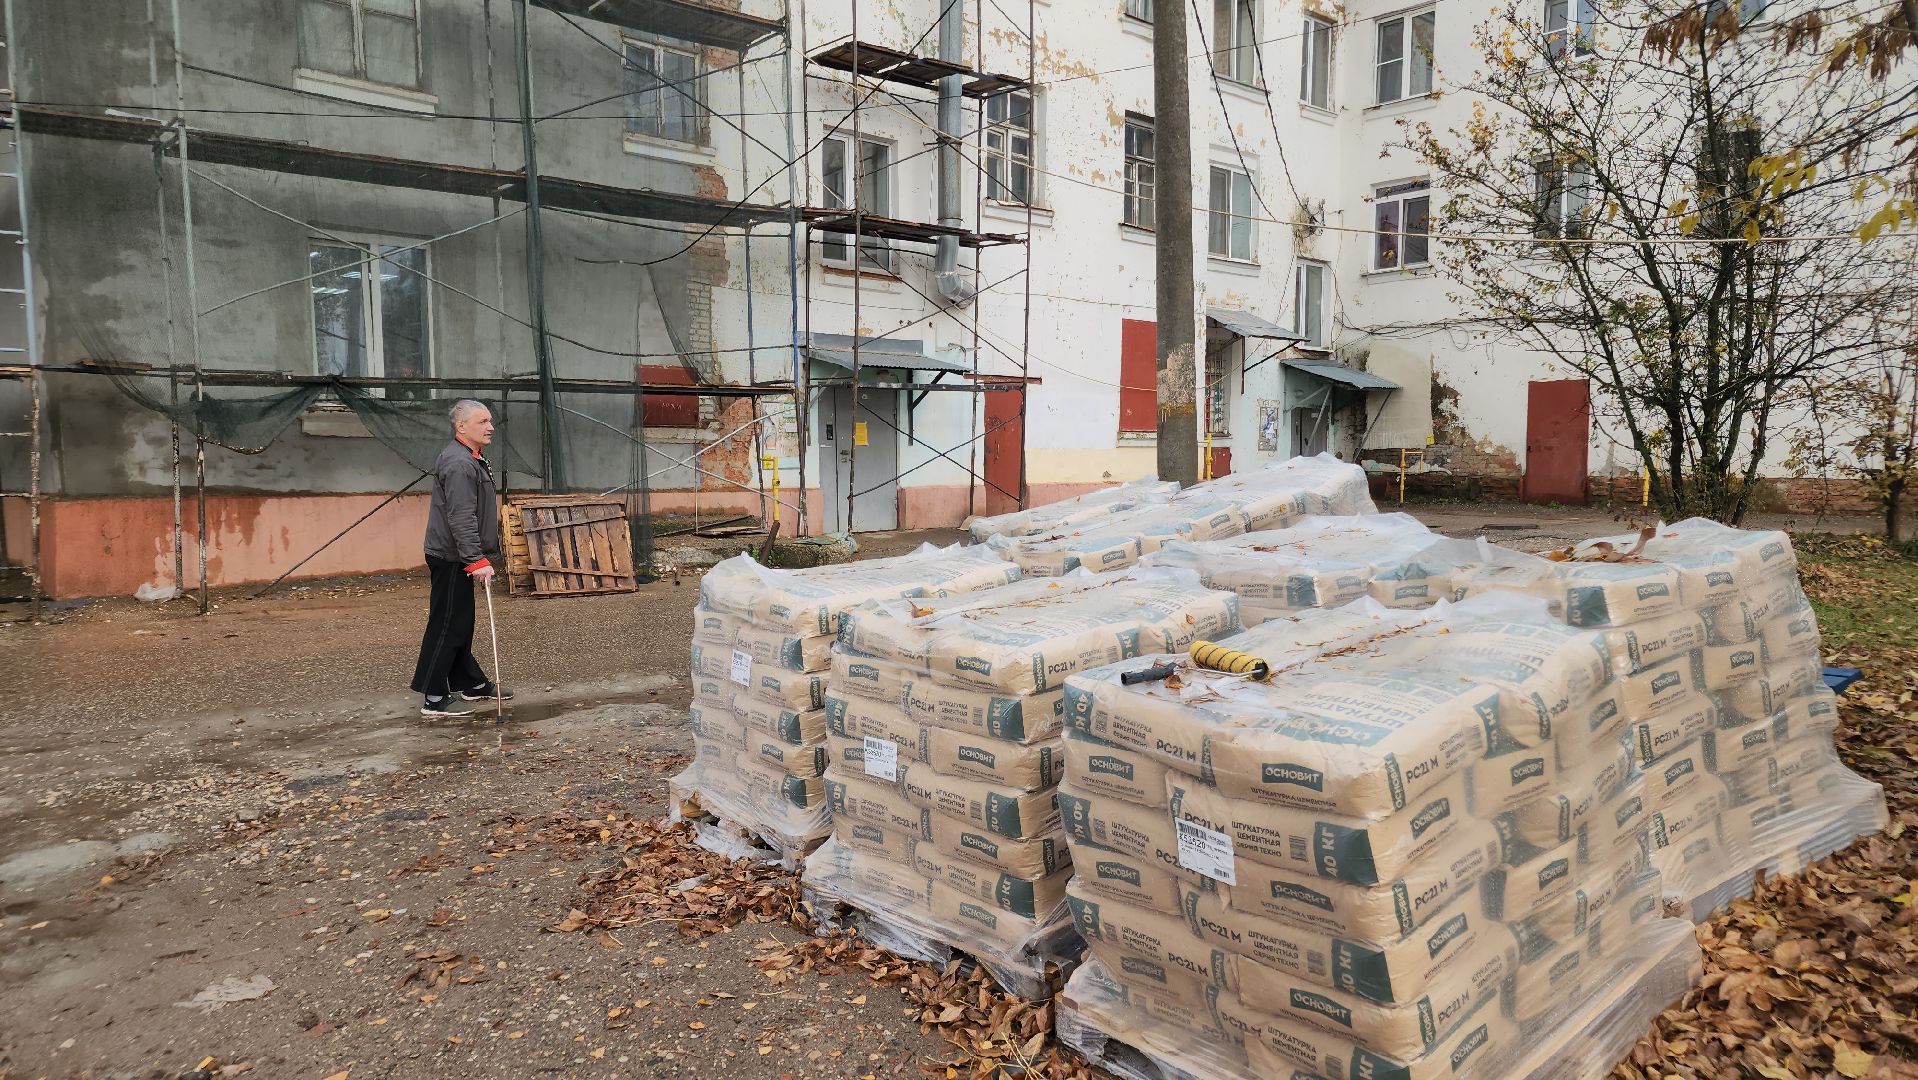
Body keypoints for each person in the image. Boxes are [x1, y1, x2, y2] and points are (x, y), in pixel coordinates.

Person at [412, 399, 513, 717]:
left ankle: (469, 682)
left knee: (460, 622)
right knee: (447, 624)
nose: (490, 426)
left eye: (489, 421)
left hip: (459, 554)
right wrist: (475, 559)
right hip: (453, 555)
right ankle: (434, 695)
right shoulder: (459, 463)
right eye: (482, 421)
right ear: (461, 426)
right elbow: (461, 516)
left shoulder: (470, 457)